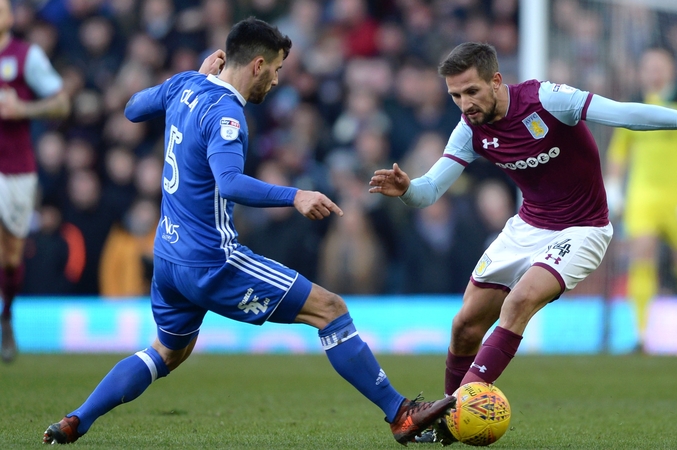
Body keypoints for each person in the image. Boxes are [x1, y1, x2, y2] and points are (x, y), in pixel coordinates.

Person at [43, 18, 454, 446]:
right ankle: (400, 413)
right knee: (330, 309)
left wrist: (193, 78)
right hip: (212, 260)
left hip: (168, 257)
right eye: (276, 69)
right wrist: (295, 195)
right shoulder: (227, 114)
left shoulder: (186, 84)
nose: (276, 80)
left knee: (166, 352)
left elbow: (131, 108)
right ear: (257, 65)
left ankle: (77, 419)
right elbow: (231, 183)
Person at [368, 42, 677, 444]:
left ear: (496, 80)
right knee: (465, 326)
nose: (464, 103)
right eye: (455, 95)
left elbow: (625, 113)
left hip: (583, 229)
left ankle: (452, 416)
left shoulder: (548, 99)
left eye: (471, 91)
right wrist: (406, 189)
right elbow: (429, 192)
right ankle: (450, 419)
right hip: (526, 227)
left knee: (520, 301)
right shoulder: (470, 129)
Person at [604, 48, 677, 353]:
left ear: (671, 70)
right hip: (643, 197)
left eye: (659, 66)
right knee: (641, 257)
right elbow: (618, 151)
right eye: (648, 67)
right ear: (641, 72)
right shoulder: (634, 107)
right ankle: (641, 335)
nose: (653, 72)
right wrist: (614, 186)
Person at [0, 0, 70, 363]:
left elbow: (61, 103)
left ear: (11, 17)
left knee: (10, 256)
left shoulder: (26, 56)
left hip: (15, 169)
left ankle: (7, 314)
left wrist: (22, 109)